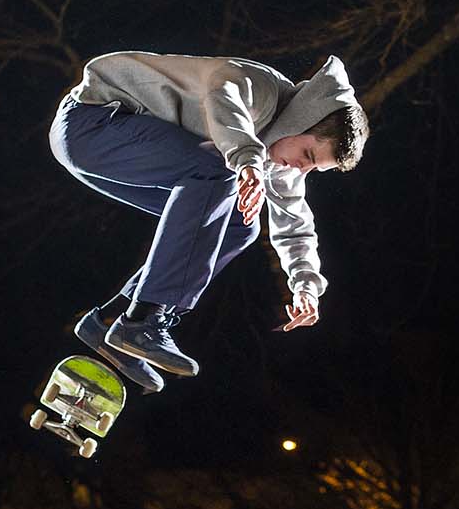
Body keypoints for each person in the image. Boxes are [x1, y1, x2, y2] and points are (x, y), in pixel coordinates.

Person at [48, 50, 367, 385]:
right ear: (304, 119)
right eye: (307, 155)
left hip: (117, 155)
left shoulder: (282, 162)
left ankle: (114, 320)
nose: (301, 168)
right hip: (94, 122)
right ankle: (145, 320)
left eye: (313, 168)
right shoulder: (261, 88)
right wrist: (246, 161)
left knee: (240, 224)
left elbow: (295, 223)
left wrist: (305, 285)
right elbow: (222, 96)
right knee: (220, 174)